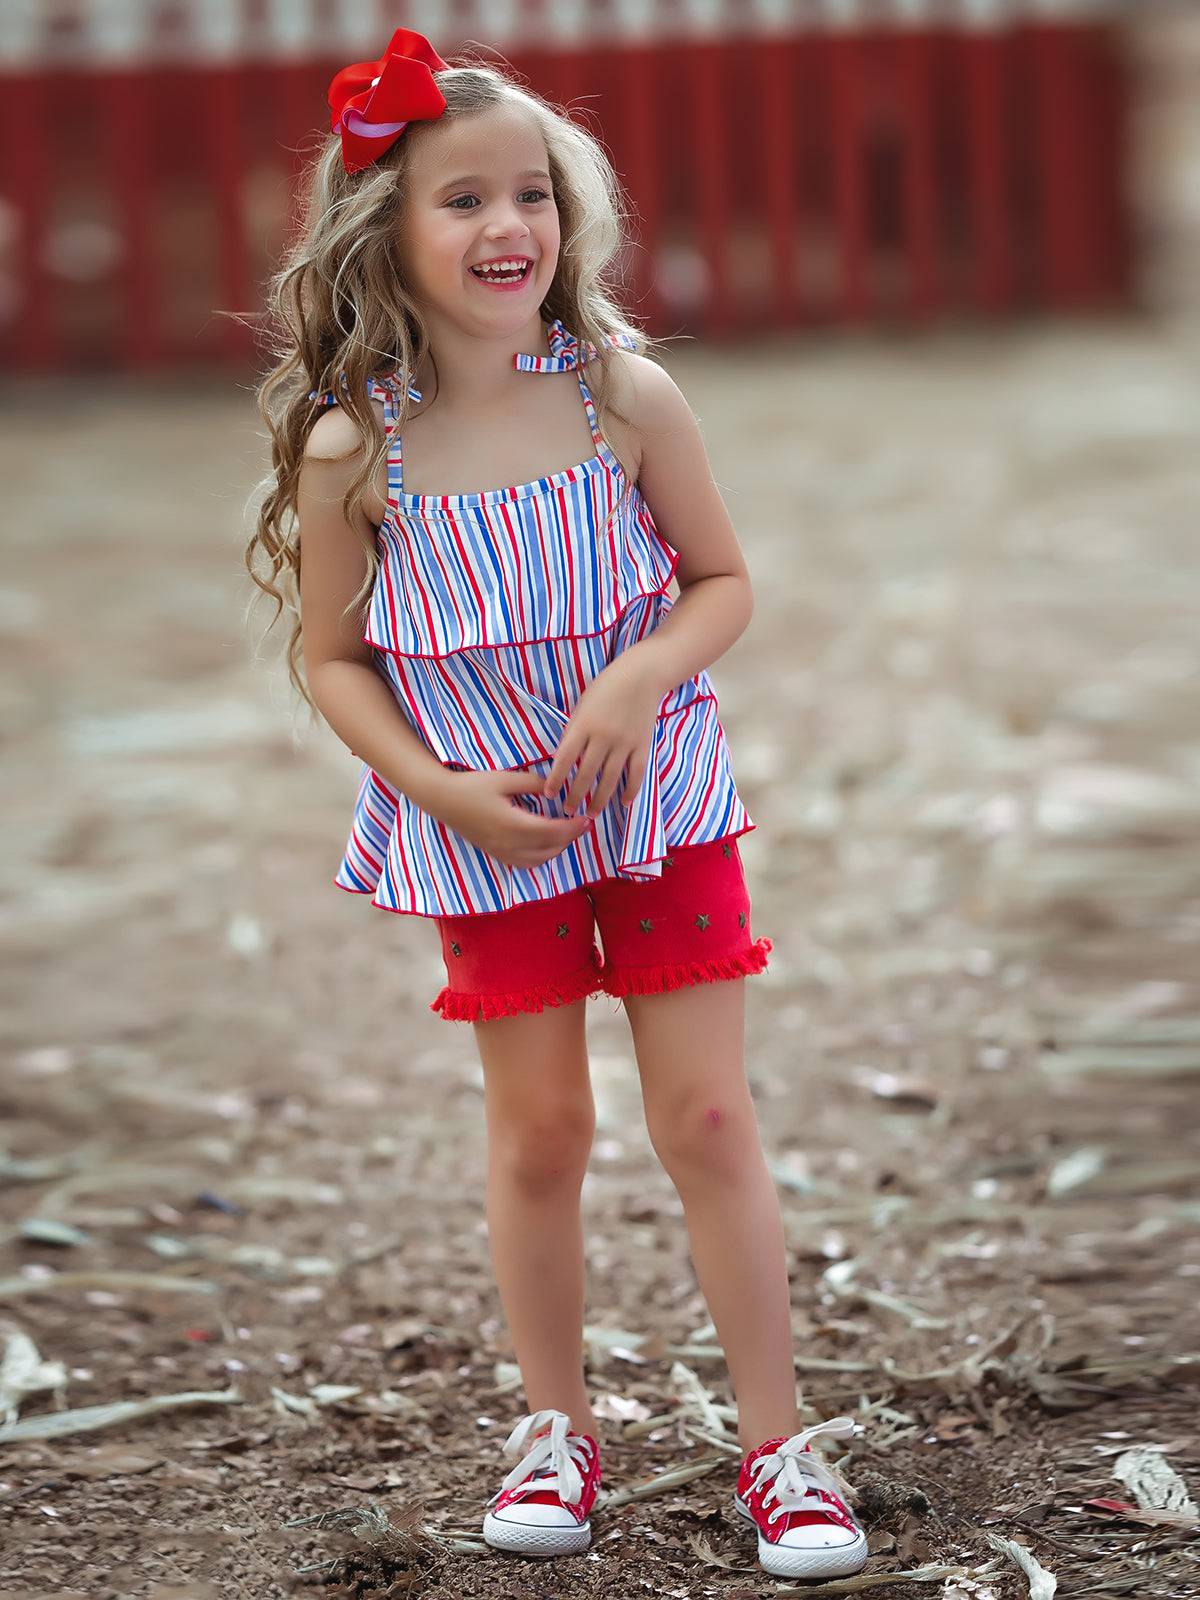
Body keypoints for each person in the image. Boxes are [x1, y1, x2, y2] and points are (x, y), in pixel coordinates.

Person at [248, 28, 868, 1582]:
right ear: (383, 227)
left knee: (705, 1118)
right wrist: (439, 789)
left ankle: (780, 1447)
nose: (506, 225)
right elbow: (333, 660)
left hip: (660, 805)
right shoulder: (357, 444)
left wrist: (638, 677)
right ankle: (554, 1427)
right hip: (485, 829)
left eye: (530, 193)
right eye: (461, 200)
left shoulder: (620, 397)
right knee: (540, 1133)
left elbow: (721, 583)